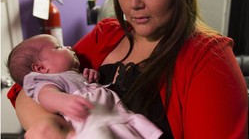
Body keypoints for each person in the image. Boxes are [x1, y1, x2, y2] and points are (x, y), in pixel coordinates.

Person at [8, 0, 248, 138]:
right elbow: (26, 86)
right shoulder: (107, 34)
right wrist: (47, 124)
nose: (134, 4)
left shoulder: (208, 58)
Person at [7, 34, 162, 139]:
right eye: (58, 47)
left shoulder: (74, 75)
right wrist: (63, 101)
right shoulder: (47, 81)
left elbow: (86, 87)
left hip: (114, 117)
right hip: (91, 123)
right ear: (41, 69)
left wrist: (90, 78)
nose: (69, 47)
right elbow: (45, 95)